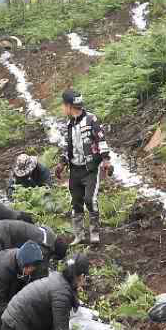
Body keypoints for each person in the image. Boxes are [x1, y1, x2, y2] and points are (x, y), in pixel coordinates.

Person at [58, 90, 112, 246]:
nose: (63, 108)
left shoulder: (90, 119)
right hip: (75, 169)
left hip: (90, 169)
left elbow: (101, 139)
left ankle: (94, 233)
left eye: (63, 105)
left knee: (90, 199)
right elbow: (67, 146)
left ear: (69, 106)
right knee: (76, 202)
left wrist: (106, 160)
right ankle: (79, 235)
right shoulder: (69, 124)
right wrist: (62, 164)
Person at [0, 218, 68, 270]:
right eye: (53, 258)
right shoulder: (43, 247)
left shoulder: (45, 232)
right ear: (54, 252)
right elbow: (35, 266)